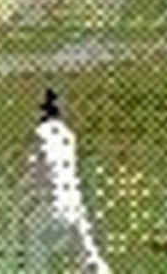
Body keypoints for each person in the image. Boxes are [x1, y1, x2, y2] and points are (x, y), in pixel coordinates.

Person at [24, 88, 110, 272]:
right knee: (90, 257)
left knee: (34, 249)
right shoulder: (68, 135)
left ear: (41, 112)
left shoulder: (39, 134)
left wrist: (30, 199)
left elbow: (34, 175)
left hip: (52, 209)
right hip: (75, 207)